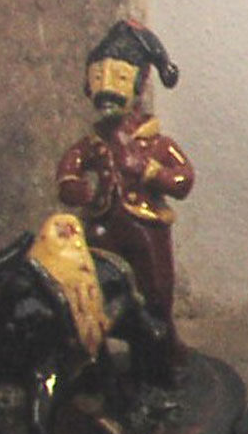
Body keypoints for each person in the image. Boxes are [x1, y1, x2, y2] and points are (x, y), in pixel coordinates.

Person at [57, 20, 195, 350]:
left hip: (145, 230)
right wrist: (73, 186)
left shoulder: (156, 145)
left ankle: (161, 353)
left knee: (155, 292)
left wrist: (149, 171)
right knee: (93, 293)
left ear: (138, 84)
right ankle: (97, 358)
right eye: (98, 78)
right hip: (100, 228)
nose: (106, 88)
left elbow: (183, 180)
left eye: (118, 78)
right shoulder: (93, 145)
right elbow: (68, 170)